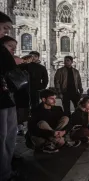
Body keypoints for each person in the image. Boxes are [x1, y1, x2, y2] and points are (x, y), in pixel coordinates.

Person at [0, 11, 18, 181]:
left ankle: (6, 169)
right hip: (2, 100)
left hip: (7, 99)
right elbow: (10, 68)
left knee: (9, 135)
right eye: (4, 28)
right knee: (3, 137)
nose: (6, 32)